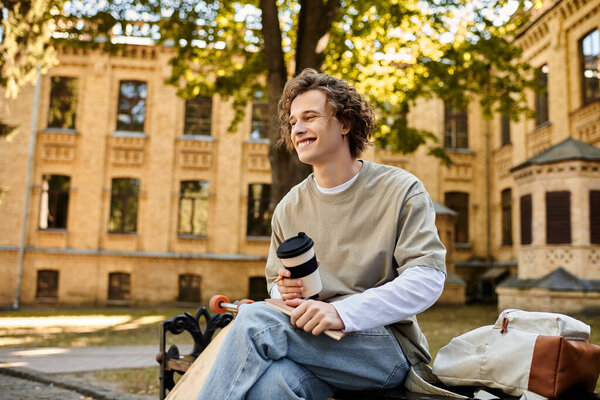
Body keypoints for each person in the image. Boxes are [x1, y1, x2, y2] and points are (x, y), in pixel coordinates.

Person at [197, 69, 447, 400]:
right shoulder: (289, 207)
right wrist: (285, 289)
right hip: (312, 340)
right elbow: (275, 283)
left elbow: (427, 278)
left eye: (310, 117)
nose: (297, 128)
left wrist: (342, 313)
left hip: (385, 349)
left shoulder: (400, 189)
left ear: (344, 124)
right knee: (273, 387)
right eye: (293, 121)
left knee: (256, 321)